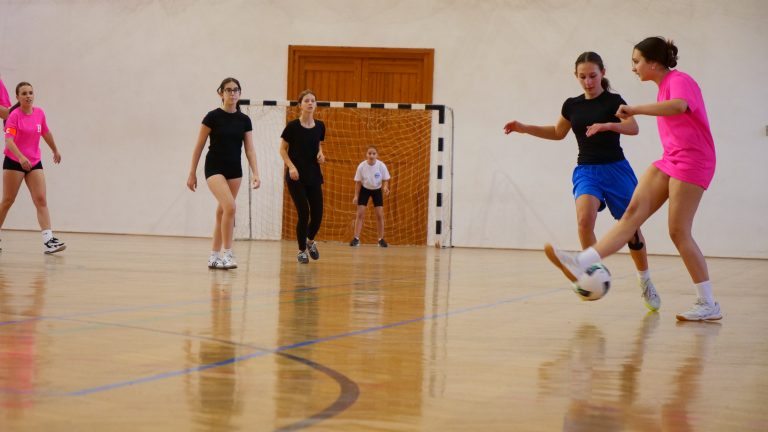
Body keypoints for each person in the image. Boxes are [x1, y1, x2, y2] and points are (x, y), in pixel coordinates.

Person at [545, 37, 721, 322]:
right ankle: (582, 261)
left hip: (694, 161)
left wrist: (635, 109)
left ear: (653, 62)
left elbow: (679, 106)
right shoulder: (664, 86)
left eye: (637, 61)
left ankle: (708, 302)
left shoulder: (679, 80)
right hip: (671, 159)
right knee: (630, 217)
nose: (633, 67)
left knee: (678, 231)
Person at [504, 51, 660, 311]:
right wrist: (524, 127)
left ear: (602, 73)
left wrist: (608, 125)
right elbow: (557, 132)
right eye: (582, 77)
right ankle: (594, 272)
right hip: (587, 170)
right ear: (576, 76)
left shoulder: (614, 101)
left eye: (592, 76)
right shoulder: (572, 105)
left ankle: (645, 281)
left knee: (632, 231)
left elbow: (633, 127)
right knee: (584, 219)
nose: (588, 82)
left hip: (616, 170)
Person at [187, 77, 260, 270]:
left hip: (235, 170)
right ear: (221, 93)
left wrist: (256, 173)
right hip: (214, 168)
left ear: (240, 93)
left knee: (223, 211)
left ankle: (214, 256)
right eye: (228, 90)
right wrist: (192, 173)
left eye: (236, 90)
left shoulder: (244, 120)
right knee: (230, 207)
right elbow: (198, 146)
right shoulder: (212, 117)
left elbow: (250, 149)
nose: (232, 93)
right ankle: (227, 254)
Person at [1, 82, 66, 254]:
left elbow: (45, 132)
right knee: (7, 201)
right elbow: (9, 141)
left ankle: (49, 240)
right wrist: (21, 157)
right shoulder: (14, 116)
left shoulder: (39, 113)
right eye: (24, 93)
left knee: (41, 199)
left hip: (34, 162)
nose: (28, 96)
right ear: (17, 97)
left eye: (30, 92)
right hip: (14, 161)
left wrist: (55, 149)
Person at [279, 90, 326, 264]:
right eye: (306, 100)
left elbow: (318, 145)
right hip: (296, 177)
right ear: (300, 105)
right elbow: (282, 149)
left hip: (313, 175)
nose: (310, 103)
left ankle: (310, 241)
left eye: (313, 100)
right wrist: (291, 167)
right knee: (304, 213)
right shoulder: (292, 126)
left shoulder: (320, 126)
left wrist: (321, 154)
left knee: (318, 214)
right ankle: (301, 251)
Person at [350, 146, 391, 247]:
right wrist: (356, 196)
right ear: (366, 154)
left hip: (377, 190)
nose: (371, 155)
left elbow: (386, 179)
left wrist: (385, 187)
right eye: (369, 153)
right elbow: (358, 182)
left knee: (379, 215)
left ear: (377, 155)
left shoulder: (381, 165)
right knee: (360, 214)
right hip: (365, 190)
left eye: (373, 153)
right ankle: (356, 238)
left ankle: (381, 239)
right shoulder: (361, 166)